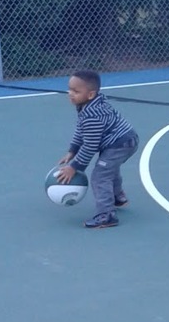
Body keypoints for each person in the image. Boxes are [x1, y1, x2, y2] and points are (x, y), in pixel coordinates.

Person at [54, 70, 139, 229]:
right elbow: (81, 131)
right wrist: (72, 151)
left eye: (76, 91)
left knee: (100, 176)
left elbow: (90, 145)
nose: (70, 94)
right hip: (122, 140)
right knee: (109, 169)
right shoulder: (87, 105)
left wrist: (74, 167)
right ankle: (117, 197)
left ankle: (107, 215)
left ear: (91, 94)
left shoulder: (92, 114)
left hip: (120, 144)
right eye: (69, 89)